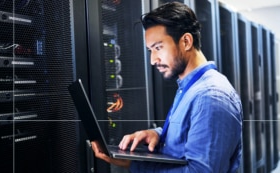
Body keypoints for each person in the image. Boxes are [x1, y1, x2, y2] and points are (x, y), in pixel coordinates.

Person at [91, 2, 243, 172]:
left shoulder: (211, 97)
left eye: (158, 47)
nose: (153, 60)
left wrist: (136, 164)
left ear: (186, 41)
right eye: (150, 51)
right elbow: (189, 137)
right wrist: (159, 134)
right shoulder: (190, 88)